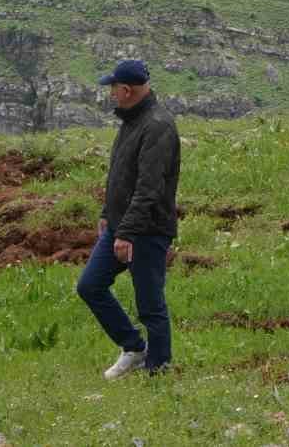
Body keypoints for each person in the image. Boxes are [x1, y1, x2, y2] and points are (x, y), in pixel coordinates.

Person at [76, 59, 181, 378]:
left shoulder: (157, 125)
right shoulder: (132, 121)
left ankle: (159, 369)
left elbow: (149, 188)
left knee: (150, 303)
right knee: (90, 286)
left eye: (112, 89)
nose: (110, 95)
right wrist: (108, 216)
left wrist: (128, 234)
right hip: (121, 225)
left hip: (146, 230)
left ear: (125, 90)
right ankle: (134, 348)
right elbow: (120, 176)